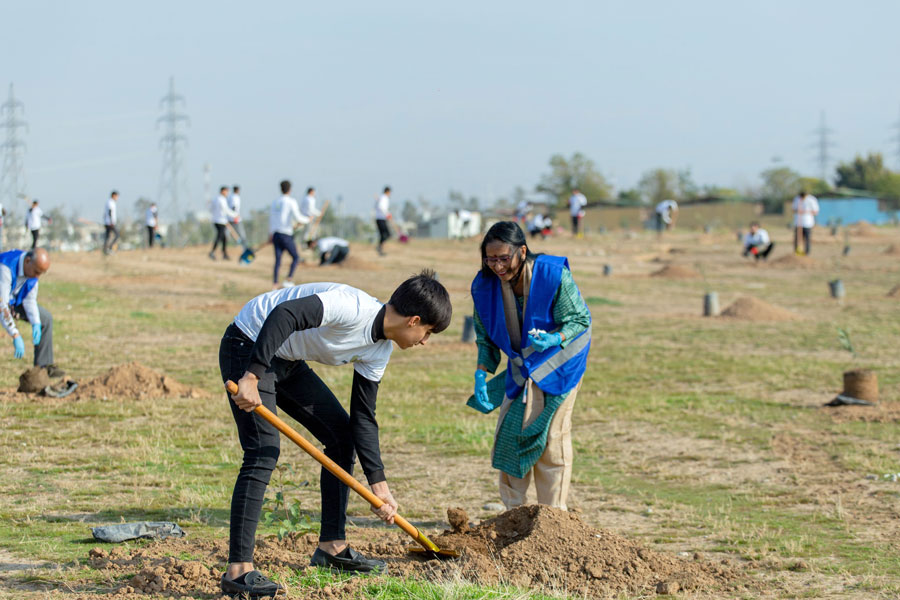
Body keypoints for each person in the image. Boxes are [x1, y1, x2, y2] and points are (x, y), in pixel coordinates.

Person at [218, 270, 451, 597]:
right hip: (249, 343)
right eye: (428, 332)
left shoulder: (379, 350)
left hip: (287, 359)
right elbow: (284, 314)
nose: (425, 341)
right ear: (414, 320)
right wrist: (252, 376)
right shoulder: (351, 306)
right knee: (264, 451)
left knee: (342, 437)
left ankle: (332, 547)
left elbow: (363, 418)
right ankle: (238, 571)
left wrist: (379, 485)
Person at [469, 222, 591, 511]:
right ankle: (514, 514)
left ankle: (552, 517)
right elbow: (485, 338)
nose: (498, 266)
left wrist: (555, 337)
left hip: (561, 364)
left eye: (504, 258)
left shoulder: (552, 275)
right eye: (491, 259)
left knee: (552, 439)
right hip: (522, 368)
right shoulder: (484, 287)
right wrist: (480, 372)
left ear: (522, 251)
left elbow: (579, 320)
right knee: (510, 435)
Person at [1, 248, 64, 377]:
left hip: (13, 301)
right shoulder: (5, 267)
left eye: (41, 273)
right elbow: (2, 306)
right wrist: (15, 334)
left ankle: (42, 369)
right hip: (3, 301)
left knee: (45, 319)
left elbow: (29, 300)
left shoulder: (32, 270)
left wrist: (36, 323)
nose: (37, 277)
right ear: (27, 261)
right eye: (36, 272)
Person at [270, 180, 309, 288]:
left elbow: (272, 219)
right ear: (290, 189)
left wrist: (271, 233)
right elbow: (298, 217)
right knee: (296, 257)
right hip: (286, 234)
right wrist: (307, 219)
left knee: (278, 260)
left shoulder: (275, 202)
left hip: (276, 234)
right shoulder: (290, 201)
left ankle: (275, 284)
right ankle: (288, 279)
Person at [210, 186, 237, 260]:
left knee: (224, 238)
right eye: (226, 191)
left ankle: (224, 254)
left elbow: (211, 208)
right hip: (220, 221)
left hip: (217, 220)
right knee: (219, 237)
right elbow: (226, 210)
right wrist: (235, 215)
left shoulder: (215, 199)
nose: (227, 193)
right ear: (222, 191)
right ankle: (212, 252)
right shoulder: (221, 199)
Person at [792, 190, 819, 255]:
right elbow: (793, 209)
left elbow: (816, 212)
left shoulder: (812, 199)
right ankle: (797, 252)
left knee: (807, 238)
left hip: (807, 223)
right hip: (798, 222)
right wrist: (797, 211)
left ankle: (807, 252)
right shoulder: (797, 199)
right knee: (797, 238)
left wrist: (805, 212)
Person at [374, 186, 392, 256]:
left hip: (380, 218)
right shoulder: (384, 198)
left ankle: (380, 249)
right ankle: (379, 247)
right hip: (381, 218)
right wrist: (387, 214)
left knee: (383, 235)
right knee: (387, 234)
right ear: (387, 192)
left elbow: (377, 206)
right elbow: (381, 206)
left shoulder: (381, 198)